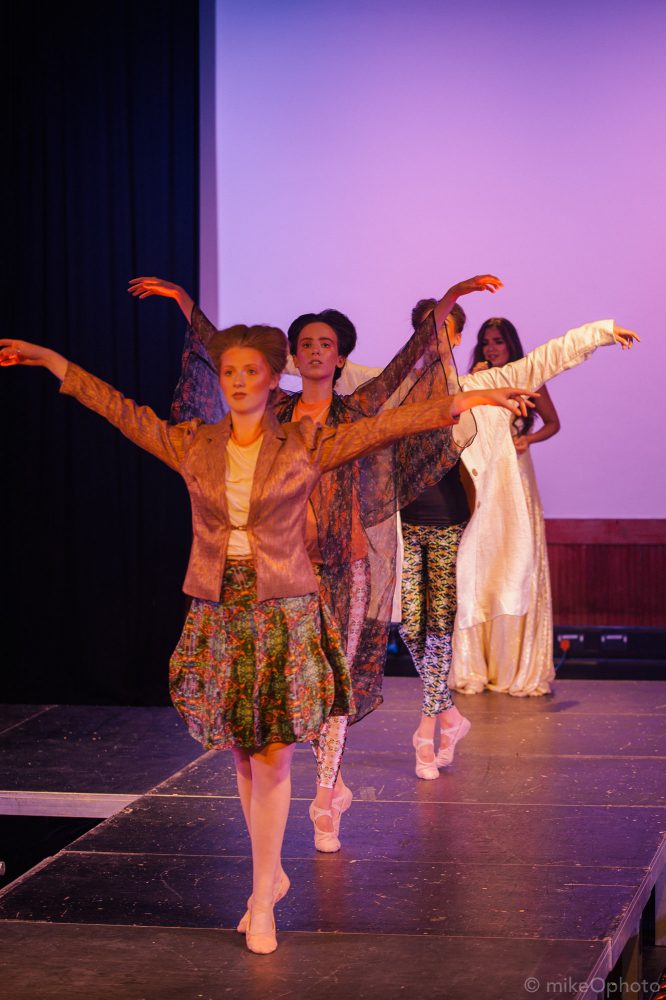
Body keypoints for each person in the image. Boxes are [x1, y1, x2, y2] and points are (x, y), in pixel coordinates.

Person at [0, 330, 535, 954]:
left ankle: (260, 899)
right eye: (229, 371)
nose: (238, 381)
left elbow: (388, 425)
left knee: (274, 754)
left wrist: (473, 399)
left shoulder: (305, 442)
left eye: (251, 371)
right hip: (220, 613)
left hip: (284, 610)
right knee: (243, 754)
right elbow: (120, 411)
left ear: (271, 378)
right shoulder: (195, 442)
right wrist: (53, 360)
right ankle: (270, 872)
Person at [128, 274, 497, 848]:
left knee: (337, 684)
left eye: (327, 344)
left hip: (347, 565)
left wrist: (449, 302)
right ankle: (332, 780)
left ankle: (325, 796)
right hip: (286, 571)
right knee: (299, 690)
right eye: (306, 345)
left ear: (341, 356)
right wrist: (184, 304)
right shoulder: (273, 410)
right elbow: (225, 355)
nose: (317, 351)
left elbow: (409, 364)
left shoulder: (358, 408)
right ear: (292, 360)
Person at [334, 311, 639, 751]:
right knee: (411, 628)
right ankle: (449, 714)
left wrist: (602, 332)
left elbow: (549, 358)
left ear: (458, 336)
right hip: (406, 523)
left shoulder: (482, 383)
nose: (433, 339)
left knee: (438, 626)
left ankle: (427, 729)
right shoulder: (396, 384)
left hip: (450, 522)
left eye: (442, 330)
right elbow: (331, 370)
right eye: (425, 330)